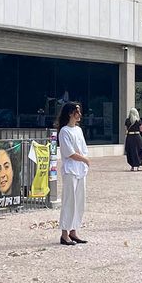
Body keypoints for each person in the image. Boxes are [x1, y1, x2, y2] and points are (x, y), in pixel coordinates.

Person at [57, 102, 90, 245]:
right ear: (71, 113)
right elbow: (68, 152)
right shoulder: (64, 131)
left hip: (80, 169)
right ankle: (64, 233)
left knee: (79, 201)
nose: (80, 114)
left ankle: (74, 230)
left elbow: (82, 148)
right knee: (69, 200)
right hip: (70, 169)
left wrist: (83, 159)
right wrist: (83, 158)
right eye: (77, 111)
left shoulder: (79, 130)